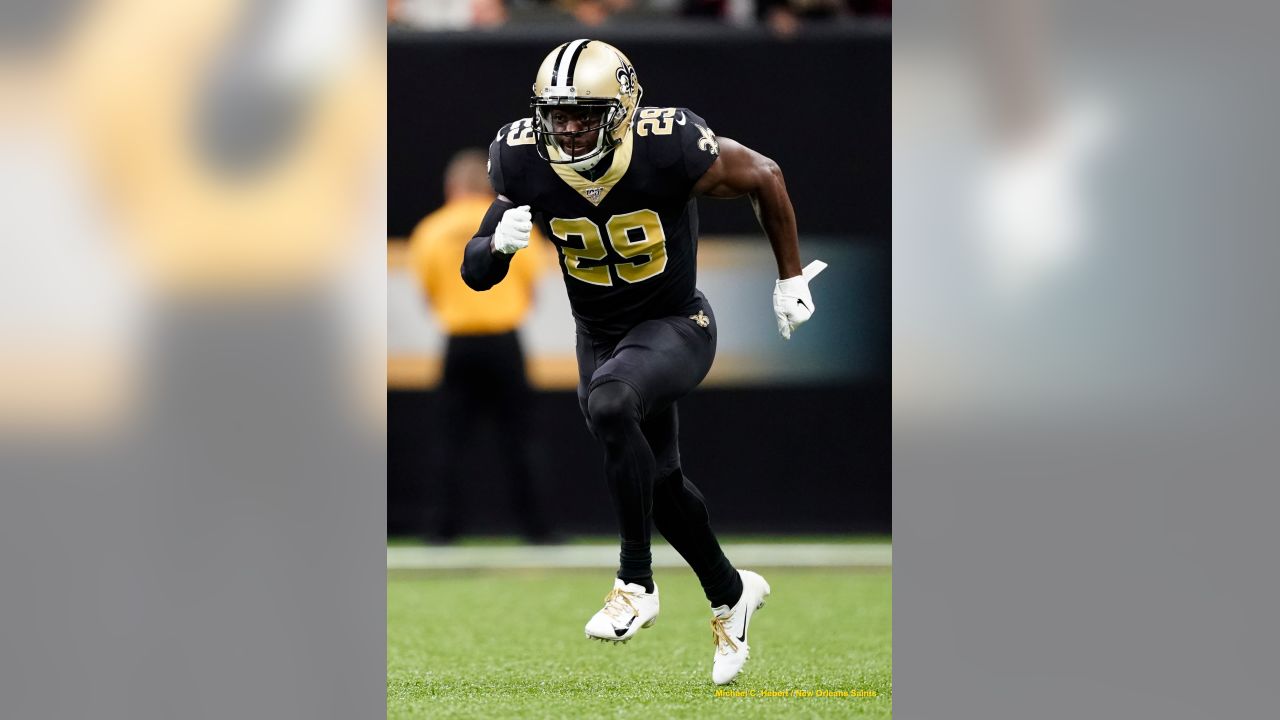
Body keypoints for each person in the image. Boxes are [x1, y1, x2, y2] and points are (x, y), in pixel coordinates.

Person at [460, 39, 817, 685]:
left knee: (612, 402)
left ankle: (635, 580)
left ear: (623, 110)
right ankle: (731, 592)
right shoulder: (520, 160)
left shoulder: (669, 145)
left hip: (675, 322)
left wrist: (789, 279)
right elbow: (475, 274)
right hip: (598, 334)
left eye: (584, 114)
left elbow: (764, 173)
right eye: (557, 114)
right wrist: (496, 243)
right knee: (660, 482)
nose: (567, 128)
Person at [408, 148, 557, 543]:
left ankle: (441, 531)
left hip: (459, 343)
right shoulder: (516, 225)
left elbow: (427, 293)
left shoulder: (430, 229)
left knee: (449, 443)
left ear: (451, 186)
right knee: (522, 440)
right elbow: (532, 287)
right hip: (504, 342)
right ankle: (539, 531)